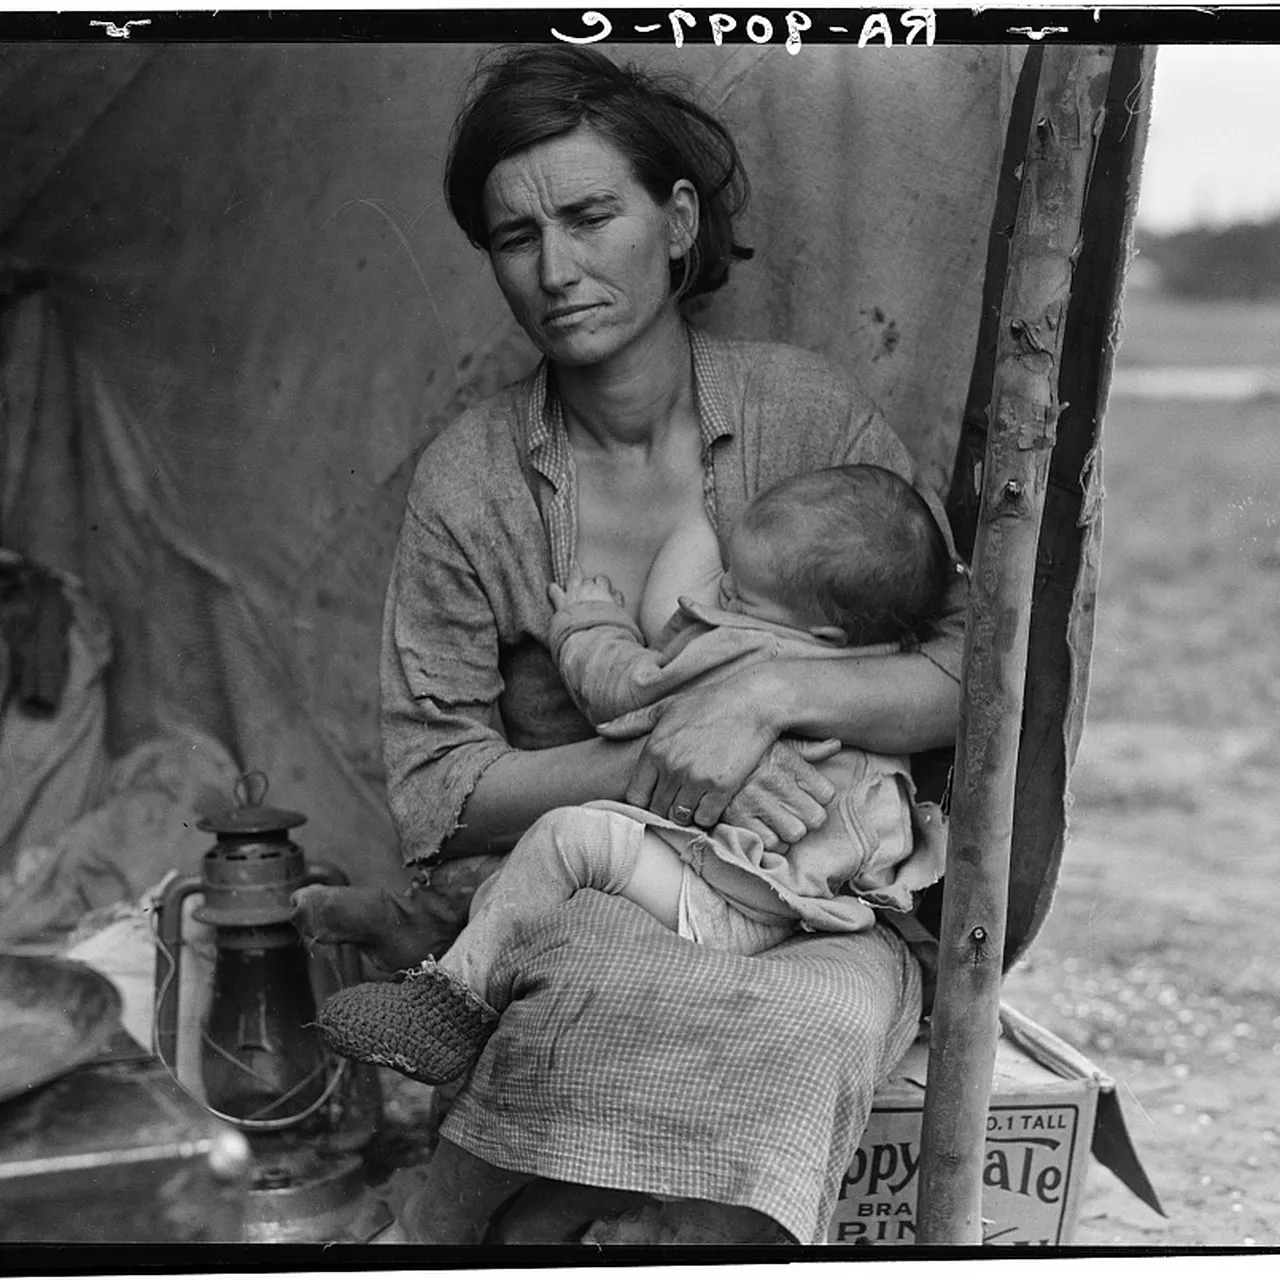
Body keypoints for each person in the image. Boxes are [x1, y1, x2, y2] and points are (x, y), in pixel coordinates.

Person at [290, 44, 968, 1246]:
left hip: (823, 907)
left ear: (675, 219)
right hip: (607, 886)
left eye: (591, 214)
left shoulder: (802, 414)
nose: (556, 269)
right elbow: (436, 793)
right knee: (590, 993)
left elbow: (970, 676)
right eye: (514, 236)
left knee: (802, 1040)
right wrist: (669, 756)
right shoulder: (471, 480)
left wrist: (759, 696)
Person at [315, 464, 955, 1087]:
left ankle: (447, 1009)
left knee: (569, 840)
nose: (718, 592)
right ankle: (436, 931)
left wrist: (590, 622)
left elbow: (626, 689)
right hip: (809, 895)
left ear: (819, 630)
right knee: (564, 871)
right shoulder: (878, 665)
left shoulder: (747, 649)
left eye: (737, 592)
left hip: (740, 902)